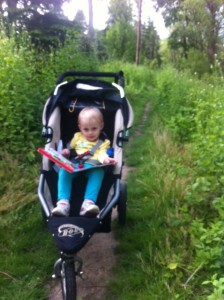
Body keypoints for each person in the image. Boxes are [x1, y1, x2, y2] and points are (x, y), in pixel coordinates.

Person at [52, 106, 117, 217]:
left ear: (101, 126)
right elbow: (70, 148)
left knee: (98, 173)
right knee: (63, 172)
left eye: (94, 128)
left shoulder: (104, 142)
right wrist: (66, 152)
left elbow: (102, 153)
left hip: (92, 166)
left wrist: (105, 159)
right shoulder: (77, 137)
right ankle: (63, 203)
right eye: (86, 129)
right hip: (75, 164)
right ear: (80, 127)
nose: (90, 132)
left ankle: (88, 203)